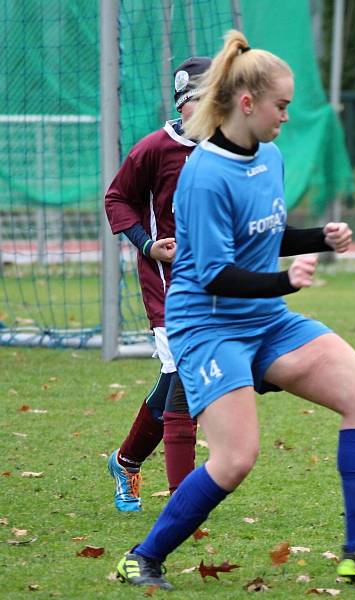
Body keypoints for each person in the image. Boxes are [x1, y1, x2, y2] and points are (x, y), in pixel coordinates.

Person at [115, 30, 355, 590]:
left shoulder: (271, 156)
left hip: (263, 318)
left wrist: (317, 239)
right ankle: (143, 556)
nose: (287, 116)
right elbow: (213, 272)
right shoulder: (204, 175)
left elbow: (264, 233)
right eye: (281, 106)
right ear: (246, 103)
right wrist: (285, 280)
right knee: (235, 459)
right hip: (208, 327)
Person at [104, 56, 211, 511]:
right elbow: (117, 198)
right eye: (200, 101)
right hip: (167, 287)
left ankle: (127, 460)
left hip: (216, 287)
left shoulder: (228, 148)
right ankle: (183, 503)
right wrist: (148, 246)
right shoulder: (153, 148)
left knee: (179, 382)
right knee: (184, 378)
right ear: (184, 104)